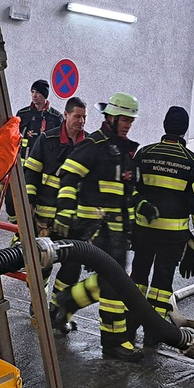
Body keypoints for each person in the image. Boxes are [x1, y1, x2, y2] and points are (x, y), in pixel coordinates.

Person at [50, 92, 142, 361]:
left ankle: (66, 302)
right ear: (111, 117)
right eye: (123, 119)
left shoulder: (124, 149)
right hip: (98, 230)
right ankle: (113, 342)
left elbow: (125, 191)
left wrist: (138, 212)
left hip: (118, 230)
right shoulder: (94, 145)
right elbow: (67, 176)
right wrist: (66, 214)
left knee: (108, 281)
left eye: (130, 120)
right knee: (114, 285)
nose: (127, 124)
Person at [130, 106, 194, 323]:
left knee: (139, 273)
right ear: (185, 130)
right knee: (162, 280)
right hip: (173, 234)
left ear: (164, 126)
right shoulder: (191, 160)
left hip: (144, 229)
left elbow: (131, 190)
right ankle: (155, 326)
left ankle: (131, 318)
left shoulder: (144, 153)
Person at [24, 96, 88, 318]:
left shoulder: (88, 144)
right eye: (77, 116)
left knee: (72, 267)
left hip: (75, 219)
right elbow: (31, 172)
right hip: (46, 217)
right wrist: (29, 203)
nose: (81, 121)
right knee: (43, 264)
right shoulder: (47, 140)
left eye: (84, 117)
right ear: (66, 114)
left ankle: (56, 309)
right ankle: (38, 303)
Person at [4, 79, 64, 230]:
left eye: (38, 92)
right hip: (20, 169)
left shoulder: (56, 117)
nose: (34, 95)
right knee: (12, 201)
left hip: (42, 172)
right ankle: (19, 228)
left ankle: (31, 232)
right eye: (32, 92)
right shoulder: (22, 114)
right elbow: (11, 138)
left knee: (37, 203)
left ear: (45, 95)